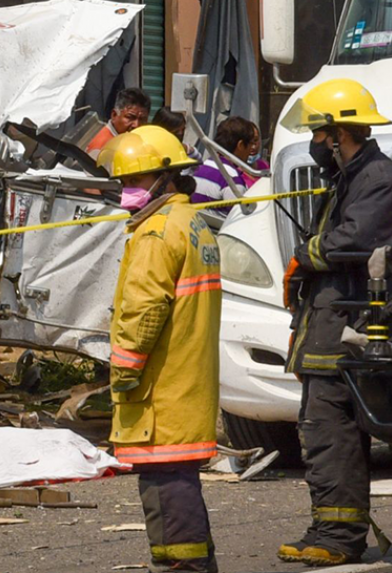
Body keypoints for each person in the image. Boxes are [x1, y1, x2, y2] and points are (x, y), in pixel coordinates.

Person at [278, 79, 392, 567]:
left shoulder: (378, 178)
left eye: (319, 133)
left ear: (339, 133)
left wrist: (303, 256)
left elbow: (353, 240)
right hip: (330, 320)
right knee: (322, 431)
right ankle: (330, 529)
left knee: (332, 430)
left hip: (351, 324)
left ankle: (339, 537)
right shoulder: (347, 178)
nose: (315, 143)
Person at [99, 125, 222, 573]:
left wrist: (122, 371)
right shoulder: (193, 223)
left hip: (161, 392)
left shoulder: (155, 233)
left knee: (167, 495)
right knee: (181, 487)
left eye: (135, 180)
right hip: (187, 384)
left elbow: (143, 310)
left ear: (165, 177)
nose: (126, 191)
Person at [191, 116, 260, 213]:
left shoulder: (203, 166)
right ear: (240, 145)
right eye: (250, 144)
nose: (251, 150)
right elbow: (239, 217)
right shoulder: (233, 181)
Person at [88, 87, 152, 161]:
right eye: (130, 117)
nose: (136, 125)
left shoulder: (138, 142)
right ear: (114, 115)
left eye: (142, 119)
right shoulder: (102, 149)